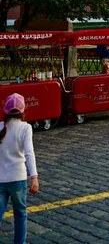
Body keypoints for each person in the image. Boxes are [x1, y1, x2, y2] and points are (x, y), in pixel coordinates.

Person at [0, 93, 39, 244]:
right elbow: (29, 152)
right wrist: (34, 176)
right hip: (18, 179)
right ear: (23, 111)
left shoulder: (0, 127)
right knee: (20, 214)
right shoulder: (26, 128)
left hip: (1, 179)